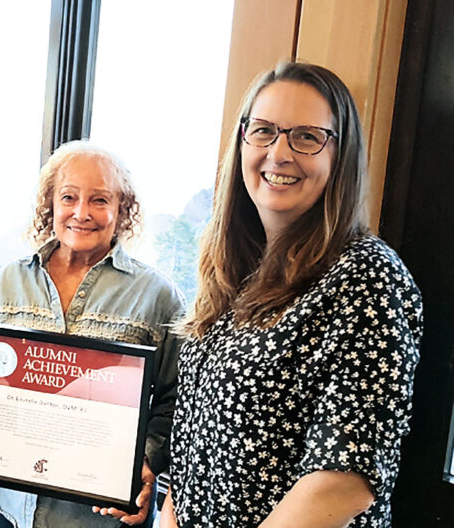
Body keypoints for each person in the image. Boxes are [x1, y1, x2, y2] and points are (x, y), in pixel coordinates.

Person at [161, 62, 423, 528]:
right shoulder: (236, 274)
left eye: (306, 137)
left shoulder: (367, 276)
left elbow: (343, 481)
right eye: (262, 131)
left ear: (340, 157)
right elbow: (191, 447)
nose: (278, 153)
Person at [0, 140, 185, 527]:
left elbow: (177, 398)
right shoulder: (8, 282)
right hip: (9, 508)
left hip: (102, 517)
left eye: (99, 200)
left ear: (122, 208)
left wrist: (145, 459)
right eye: (69, 197)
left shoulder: (157, 295)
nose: (81, 213)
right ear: (50, 204)